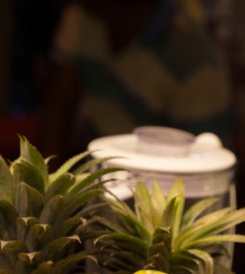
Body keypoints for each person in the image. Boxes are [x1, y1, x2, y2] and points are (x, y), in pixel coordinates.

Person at [38, 0, 234, 164]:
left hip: (162, 188)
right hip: (95, 171)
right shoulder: (83, 17)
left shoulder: (195, 61)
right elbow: (58, 106)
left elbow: (205, 164)